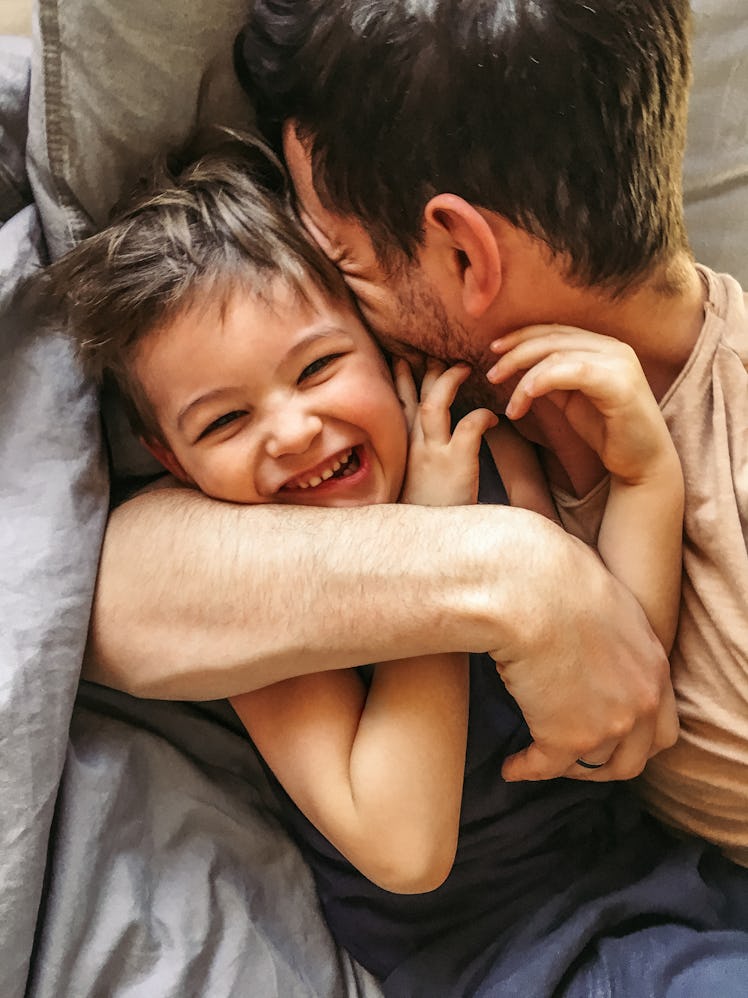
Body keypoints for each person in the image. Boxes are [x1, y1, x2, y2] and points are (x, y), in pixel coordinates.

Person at [47, 139, 747, 996]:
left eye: (317, 368)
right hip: (505, 954)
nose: (294, 429)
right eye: (225, 422)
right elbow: (406, 848)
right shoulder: (260, 609)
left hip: (666, 882)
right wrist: (439, 543)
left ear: (379, 346)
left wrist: (645, 474)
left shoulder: (473, 447)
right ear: (170, 458)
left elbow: (627, 697)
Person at [232, 0, 748, 871]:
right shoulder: (413, 393)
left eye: (343, 263)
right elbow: (111, 574)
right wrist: (513, 577)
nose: (325, 306)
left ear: (467, 256)